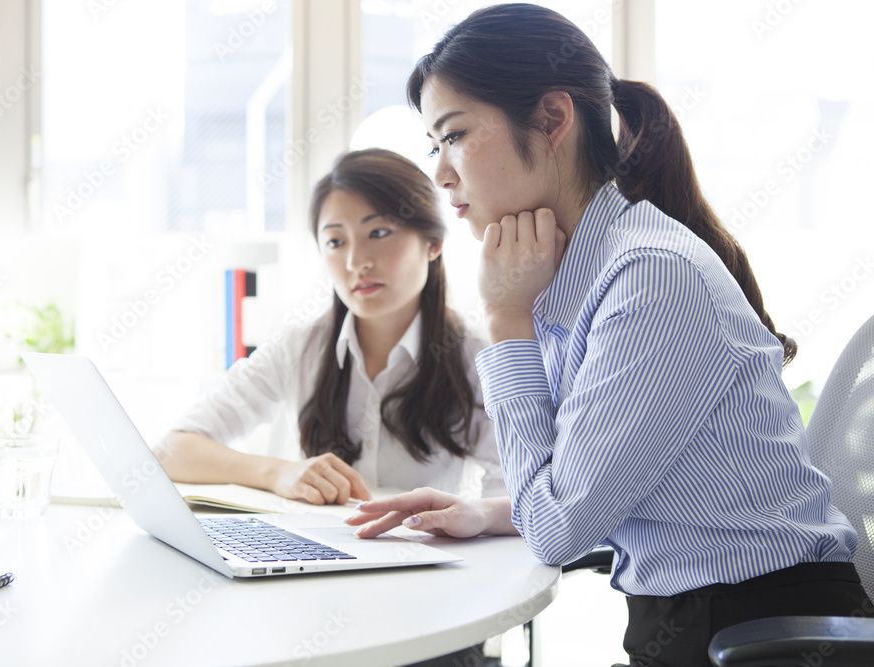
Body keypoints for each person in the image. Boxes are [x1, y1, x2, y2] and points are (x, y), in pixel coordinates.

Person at [346, 4, 872, 665]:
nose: (440, 173)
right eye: (433, 145)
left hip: (764, 635)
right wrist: (486, 513)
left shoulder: (650, 281)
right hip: (713, 626)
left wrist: (507, 321)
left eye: (453, 135)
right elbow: (584, 484)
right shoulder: (588, 276)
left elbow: (558, 533)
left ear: (553, 119)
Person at [155, 148, 505, 506]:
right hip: (315, 554)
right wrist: (277, 473)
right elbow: (170, 451)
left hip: (431, 554)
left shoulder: (479, 357)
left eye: (379, 232)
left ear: (432, 243)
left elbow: (517, 499)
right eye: (336, 242)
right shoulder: (300, 346)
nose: (356, 262)